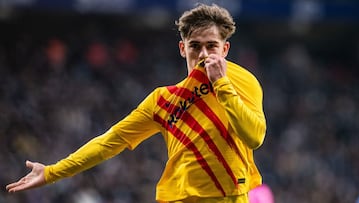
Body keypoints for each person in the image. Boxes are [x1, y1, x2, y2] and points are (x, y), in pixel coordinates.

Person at [6, 3, 266, 203]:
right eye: (195, 45)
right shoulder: (163, 101)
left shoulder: (243, 81)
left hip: (232, 196)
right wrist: (52, 172)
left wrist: (222, 84)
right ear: (182, 48)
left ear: (225, 49)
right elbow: (110, 141)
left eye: (212, 45)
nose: (203, 54)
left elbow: (254, 137)